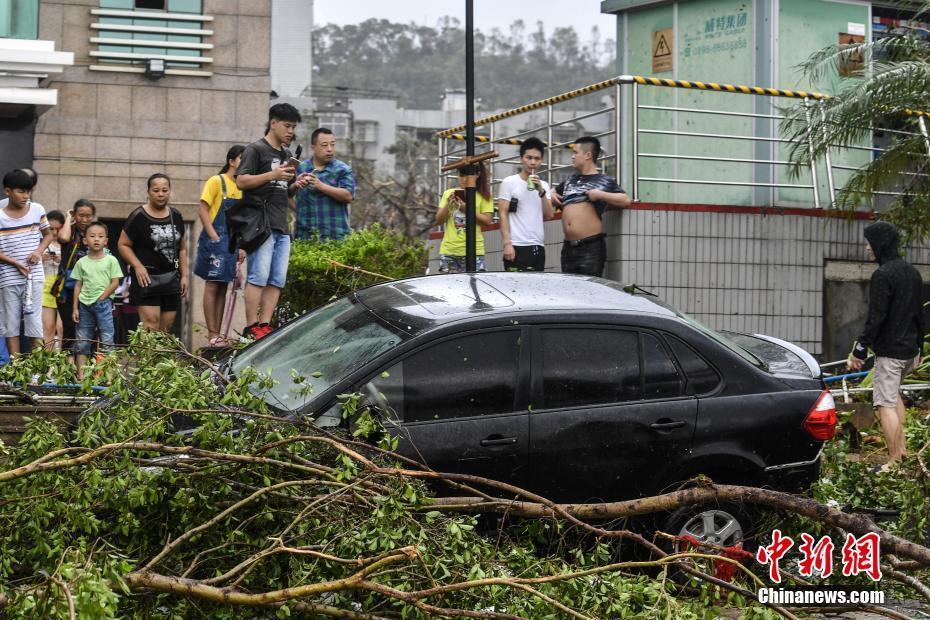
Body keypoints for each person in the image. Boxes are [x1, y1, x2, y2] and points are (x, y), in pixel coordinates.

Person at [847, 221, 925, 471]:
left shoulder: (883, 275)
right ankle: (903, 454)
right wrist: (921, 347)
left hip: (891, 354)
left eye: (869, 242)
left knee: (883, 405)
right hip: (910, 352)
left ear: (880, 243)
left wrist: (859, 350)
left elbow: (876, 317)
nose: (866, 247)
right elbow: (919, 314)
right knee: (894, 399)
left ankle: (894, 460)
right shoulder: (912, 272)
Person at [234, 103, 306, 340]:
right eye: (287, 126)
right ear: (273, 123)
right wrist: (273, 175)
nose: (290, 132)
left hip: (281, 224)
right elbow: (242, 181)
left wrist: (296, 183)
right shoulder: (255, 150)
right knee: (258, 275)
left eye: (293, 127)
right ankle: (251, 325)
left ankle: (265, 324)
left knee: (277, 279)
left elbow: (283, 192)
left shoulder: (287, 155)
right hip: (260, 224)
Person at [551, 136, 631, 276]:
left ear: (588, 155)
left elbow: (625, 200)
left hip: (590, 247)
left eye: (575, 152)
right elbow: (553, 195)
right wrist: (551, 193)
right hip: (568, 247)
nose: (572, 157)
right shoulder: (570, 180)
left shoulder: (603, 181)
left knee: (589, 291)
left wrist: (600, 195)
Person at [118, 174, 188, 333]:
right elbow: (123, 245)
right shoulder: (138, 216)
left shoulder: (176, 216)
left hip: (171, 279)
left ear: (170, 191)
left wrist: (184, 275)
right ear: (148, 192)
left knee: (166, 329)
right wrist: (137, 266)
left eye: (165, 190)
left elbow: (182, 248)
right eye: (156, 190)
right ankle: (146, 358)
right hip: (146, 279)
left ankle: (159, 359)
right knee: (151, 325)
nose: (161, 194)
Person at [194, 145, 245, 345]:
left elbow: (242, 220)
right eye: (242, 159)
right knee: (212, 284)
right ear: (231, 161)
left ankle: (219, 335)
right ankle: (212, 334)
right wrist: (214, 235)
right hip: (214, 240)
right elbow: (202, 209)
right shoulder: (217, 181)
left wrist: (241, 246)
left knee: (224, 286)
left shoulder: (242, 188)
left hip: (232, 242)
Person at [0, 169, 53, 355]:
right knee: (10, 321)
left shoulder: (37, 209)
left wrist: (39, 251)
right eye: (21, 191)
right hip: (8, 276)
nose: (26, 196)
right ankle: (15, 367)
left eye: (29, 191)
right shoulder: (0, 214)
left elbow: (48, 235)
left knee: (34, 320)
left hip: (34, 274)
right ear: (8, 191)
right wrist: (15, 263)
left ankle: (35, 367)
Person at [71, 221, 123, 379]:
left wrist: (102, 297)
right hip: (84, 305)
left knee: (107, 339)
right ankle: (81, 376)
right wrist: (75, 307)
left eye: (100, 236)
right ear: (85, 240)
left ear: (106, 241)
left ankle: (109, 376)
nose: (96, 239)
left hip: (103, 304)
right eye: (92, 236)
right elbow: (77, 285)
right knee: (82, 340)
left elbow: (115, 282)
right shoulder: (81, 262)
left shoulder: (111, 260)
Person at [497, 137, 554, 272]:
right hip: (516, 245)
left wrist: (541, 191)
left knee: (536, 290)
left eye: (537, 158)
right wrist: (507, 244)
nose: (533, 162)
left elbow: (549, 215)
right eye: (529, 158)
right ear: (521, 158)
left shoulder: (544, 185)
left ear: (541, 161)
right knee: (514, 289)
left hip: (538, 246)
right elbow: (502, 213)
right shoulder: (509, 182)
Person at [294, 127, 356, 241]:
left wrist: (321, 186)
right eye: (324, 145)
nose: (329, 149)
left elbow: (348, 196)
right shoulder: (301, 168)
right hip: (305, 236)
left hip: (335, 237)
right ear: (313, 147)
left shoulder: (342, 169)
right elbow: (288, 193)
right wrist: (299, 210)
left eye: (332, 145)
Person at [55, 199, 97, 357]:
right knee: (70, 327)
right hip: (68, 287)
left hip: (91, 286)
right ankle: (67, 367)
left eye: (88, 216)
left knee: (90, 327)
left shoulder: (96, 232)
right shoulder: (70, 231)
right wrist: (67, 218)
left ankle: (87, 367)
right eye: (81, 215)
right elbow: (63, 239)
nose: (85, 219)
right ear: (75, 215)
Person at [435, 162, 494, 273]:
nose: (464, 179)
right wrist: (448, 205)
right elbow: (438, 220)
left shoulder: (484, 195)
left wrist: (467, 210)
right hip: (449, 251)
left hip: (475, 251)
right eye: (461, 175)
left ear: (477, 175)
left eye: (468, 175)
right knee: (449, 288)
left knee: (476, 287)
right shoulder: (449, 193)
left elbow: (487, 221)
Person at [42, 210, 65, 349]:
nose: (55, 232)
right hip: (46, 287)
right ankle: (48, 364)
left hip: (63, 287)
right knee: (48, 328)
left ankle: (62, 365)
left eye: (58, 228)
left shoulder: (67, 244)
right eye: (51, 228)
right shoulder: (42, 243)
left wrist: (61, 260)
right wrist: (40, 258)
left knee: (62, 328)